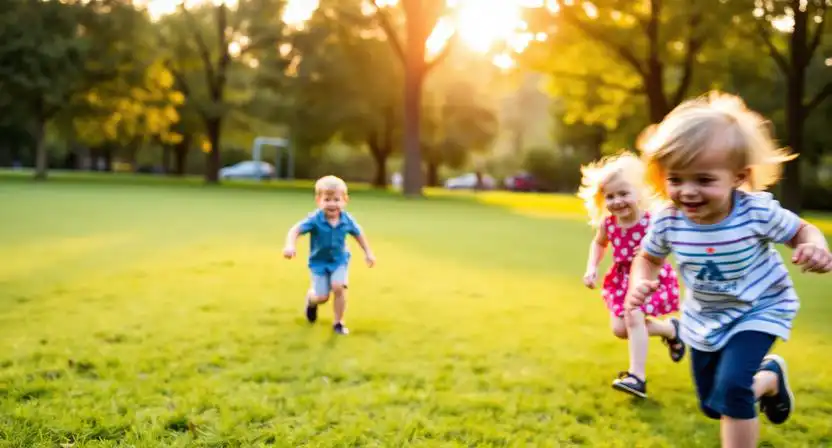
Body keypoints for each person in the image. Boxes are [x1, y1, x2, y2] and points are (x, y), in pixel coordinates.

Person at [626, 92, 832, 447]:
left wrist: (814, 246)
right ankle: (770, 379)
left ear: (738, 177)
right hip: (704, 318)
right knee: (714, 404)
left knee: (734, 389)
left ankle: (754, 385)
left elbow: (801, 230)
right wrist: (641, 283)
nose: (687, 192)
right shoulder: (668, 222)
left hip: (760, 308)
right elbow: (648, 258)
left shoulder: (755, 212)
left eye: (704, 180)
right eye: (676, 179)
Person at [578, 151, 685, 398]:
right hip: (622, 279)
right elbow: (599, 244)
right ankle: (671, 330)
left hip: (648, 276)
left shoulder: (651, 221)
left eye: (624, 193)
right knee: (620, 329)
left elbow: (671, 241)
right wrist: (591, 268)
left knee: (633, 316)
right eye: (610, 196)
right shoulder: (609, 223)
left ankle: (637, 376)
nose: (617, 201)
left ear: (639, 192)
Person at [283, 175, 376, 335]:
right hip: (319, 263)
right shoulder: (315, 219)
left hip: (339, 260)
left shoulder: (347, 220)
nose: (332, 204)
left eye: (336, 199)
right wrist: (290, 245)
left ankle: (338, 323)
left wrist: (368, 253)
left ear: (345, 200)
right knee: (322, 297)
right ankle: (311, 300)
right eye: (327, 199)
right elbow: (295, 230)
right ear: (318, 200)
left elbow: (358, 234)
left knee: (339, 287)